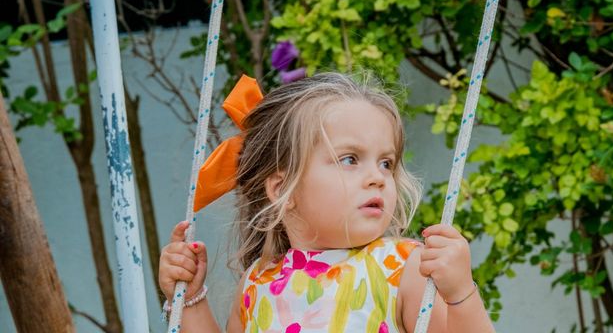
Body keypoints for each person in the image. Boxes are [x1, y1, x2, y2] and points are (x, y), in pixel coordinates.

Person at [159, 72, 494, 332]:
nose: (378, 177)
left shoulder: (403, 268)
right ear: (282, 189)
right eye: (349, 159)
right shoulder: (258, 281)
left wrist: (461, 293)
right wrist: (188, 300)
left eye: (386, 163)